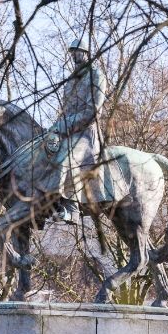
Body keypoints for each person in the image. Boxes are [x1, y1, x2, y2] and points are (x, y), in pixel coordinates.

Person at [44, 39, 108, 222]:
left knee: (64, 159)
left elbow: (93, 112)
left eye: (77, 51)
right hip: (67, 131)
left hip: (87, 133)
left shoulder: (96, 75)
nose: (74, 55)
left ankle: (71, 209)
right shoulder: (71, 80)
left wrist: (65, 124)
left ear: (86, 53)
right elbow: (65, 111)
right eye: (72, 52)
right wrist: (54, 129)